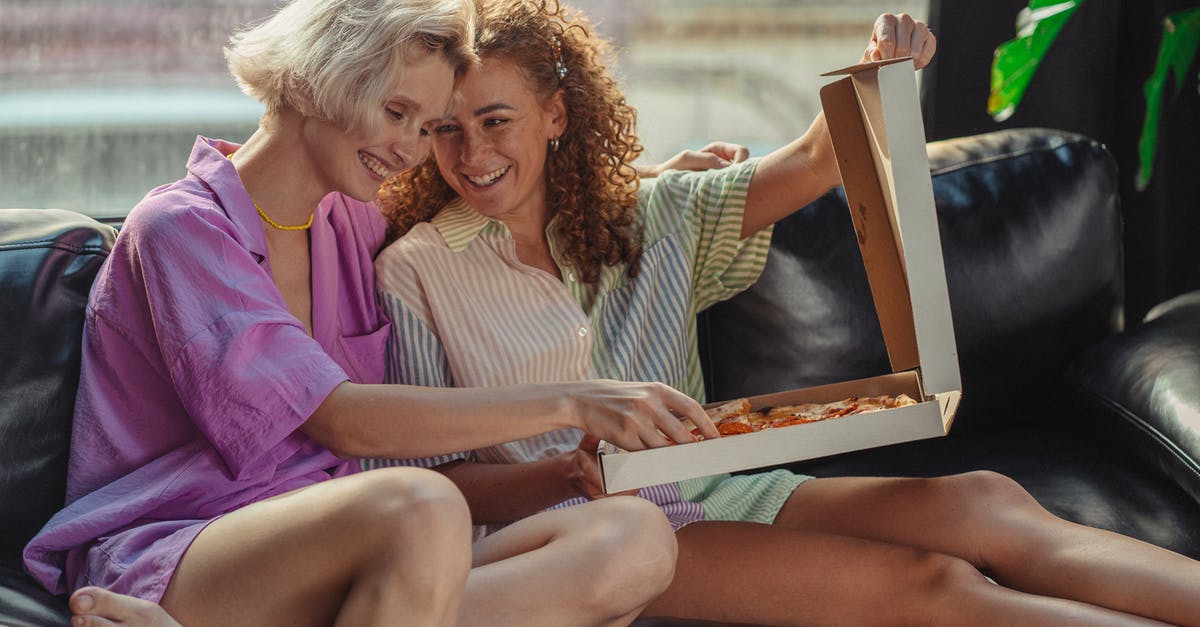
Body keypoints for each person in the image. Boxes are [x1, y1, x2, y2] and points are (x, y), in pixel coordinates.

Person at [372, 0, 1200, 624]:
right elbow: (427, 484)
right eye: (447, 129)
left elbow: (816, 158)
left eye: (495, 121)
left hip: (715, 485)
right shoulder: (414, 273)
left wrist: (880, 68)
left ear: (556, 116)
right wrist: (560, 471)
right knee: (936, 586)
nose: (471, 154)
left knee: (982, 499)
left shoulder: (654, 216)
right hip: (583, 531)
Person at [23, 1, 720, 626]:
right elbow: (342, 418)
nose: (412, 149)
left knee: (634, 539)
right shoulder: (180, 229)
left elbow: (489, 193)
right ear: (313, 79)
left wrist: (638, 180)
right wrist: (572, 400)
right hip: (188, 547)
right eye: (396, 114)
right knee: (426, 505)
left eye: (427, 126)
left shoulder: (350, 221)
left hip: (365, 558)